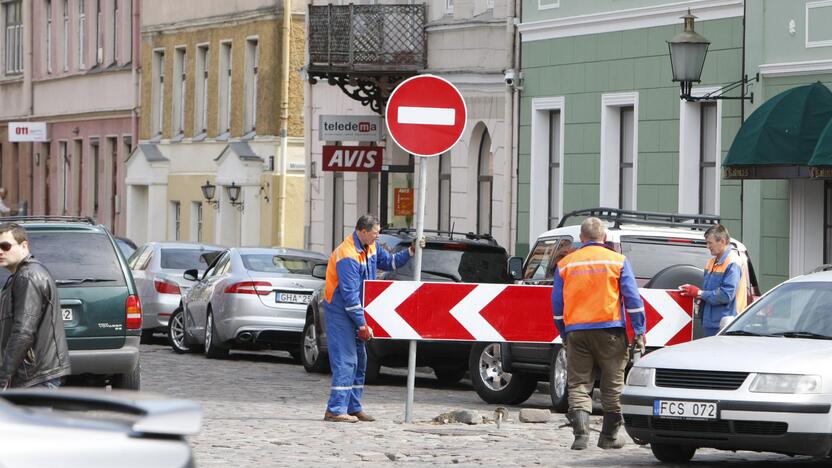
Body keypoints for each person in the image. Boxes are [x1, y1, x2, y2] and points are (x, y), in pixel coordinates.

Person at [551, 217, 646, 450]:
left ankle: (581, 435)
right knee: (613, 385)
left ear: (581, 238)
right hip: (610, 331)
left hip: (577, 332)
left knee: (579, 384)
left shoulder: (566, 264)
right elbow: (633, 299)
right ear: (604, 238)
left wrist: (564, 332)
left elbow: (557, 305)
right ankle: (609, 437)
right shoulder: (618, 261)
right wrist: (639, 330)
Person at [322, 214, 423, 423]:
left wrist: (412, 251)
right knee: (347, 360)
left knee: (360, 361)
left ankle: (353, 407)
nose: (377, 237)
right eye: (375, 233)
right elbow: (349, 296)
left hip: (357, 309)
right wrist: (363, 324)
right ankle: (335, 409)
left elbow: (390, 262)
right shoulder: (347, 254)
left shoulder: (371, 247)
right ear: (362, 231)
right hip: (340, 311)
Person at [0, 222, 71, 389]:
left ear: (24, 245)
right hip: (35, 374)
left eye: (5, 246)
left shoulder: (28, 277)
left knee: (31, 416)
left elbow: (23, 332)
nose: (0, 251)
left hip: (35, 376)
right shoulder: (23, 275)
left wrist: (4, 376)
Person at [679, 224, 746, 337]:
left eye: (710, 243)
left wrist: (699, 293)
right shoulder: (711, 262)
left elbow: (726, 295)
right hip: (712, 322)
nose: (707, 246)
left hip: (725, 324)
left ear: (723, 241)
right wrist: (697, 296)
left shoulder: (733, 262)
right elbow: (710, 292)